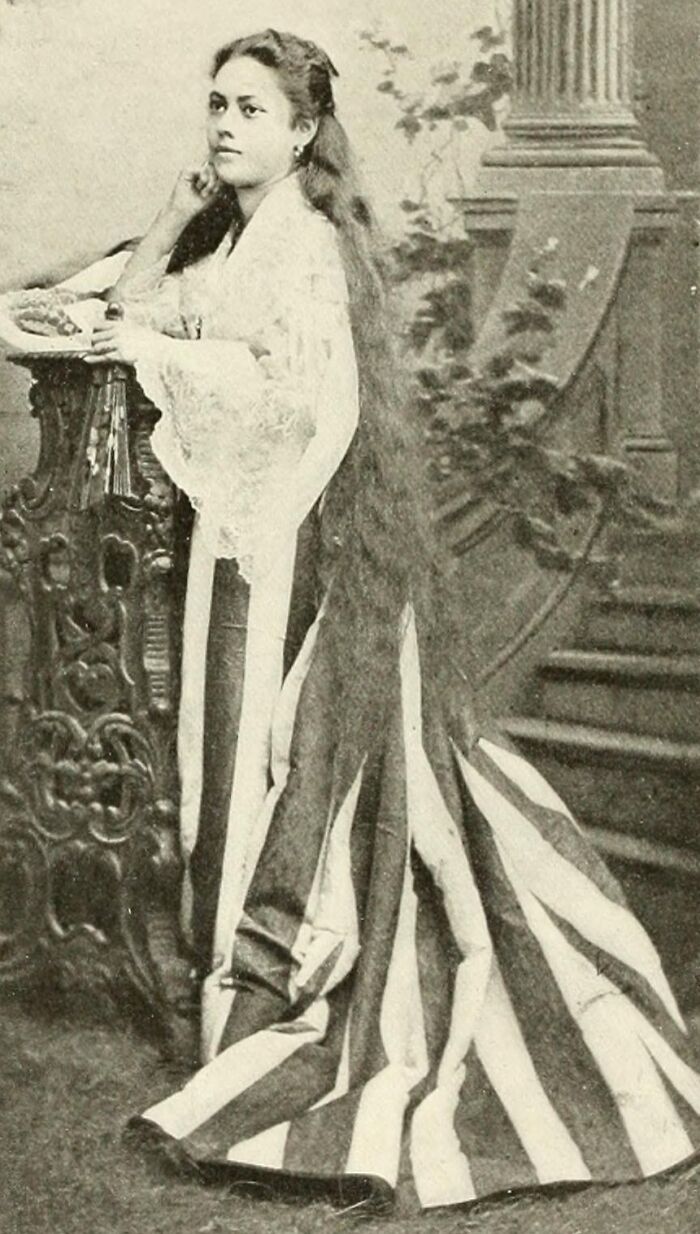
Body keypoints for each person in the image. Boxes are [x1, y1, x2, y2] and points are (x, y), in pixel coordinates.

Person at [78, 26, 700, 1218]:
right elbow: (128, 301)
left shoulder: (307, 249)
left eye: (251, 110)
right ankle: (228, 1001)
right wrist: (167, 227)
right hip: (242, 528)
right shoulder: (238, 239)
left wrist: (155, 347)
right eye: (214, 105)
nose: (223, 125)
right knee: (225, 758)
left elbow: (301, 404)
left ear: (305, 130)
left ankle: (260, 1005)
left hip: (295, 534)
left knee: (281, 766)